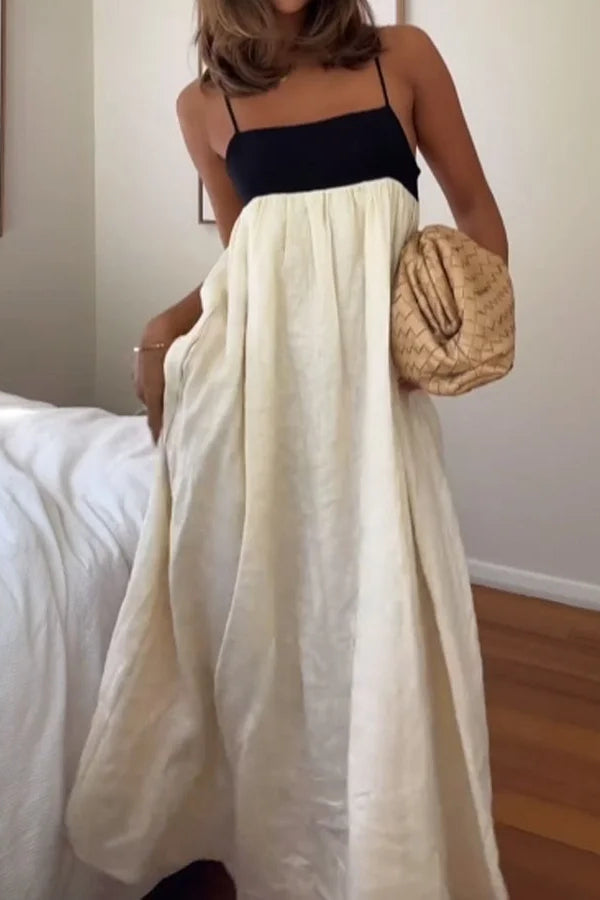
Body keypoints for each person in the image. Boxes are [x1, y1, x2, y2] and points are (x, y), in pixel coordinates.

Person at [67, 2, 509, 898]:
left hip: (375, 411)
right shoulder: (204, 105)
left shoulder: (402, 57)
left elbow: (476, 212)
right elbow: (251, 267)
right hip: (258, 405)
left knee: (382, 620)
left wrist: (452, 327)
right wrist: (163, 330)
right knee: (274, 633)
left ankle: (386, 855)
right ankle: (285, 851)